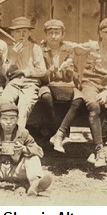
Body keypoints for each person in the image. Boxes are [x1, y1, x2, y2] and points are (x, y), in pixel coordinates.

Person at [72, 17, 107, 167]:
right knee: (94, 107)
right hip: (90, 83)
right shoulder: (92, 45)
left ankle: (97, 149)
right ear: (100, 33)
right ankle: (100, 150)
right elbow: (75, 48)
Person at [39, 19, 84, 153]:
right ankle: (58, 132)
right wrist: (50, 72)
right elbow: (40, 74)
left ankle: (59, 133)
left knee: (78, 99)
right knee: (46, 96)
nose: (53, 36)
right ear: (45, 35)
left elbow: (73, 74)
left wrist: (68, 72)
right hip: (46, 83)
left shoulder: (68, 50)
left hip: (65, 85)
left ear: (62, 35)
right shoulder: (41, 50)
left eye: (57, 33)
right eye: (50, 33)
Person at [1, 17, 47, 128]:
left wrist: (23, 72)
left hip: (31, 83)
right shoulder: (9, 48)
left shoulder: (35, 48)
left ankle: (18, 136)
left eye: (24, 31)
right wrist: (13, 57)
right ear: (12, 33)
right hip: (14, 83)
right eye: (18, 31)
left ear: (29, 33)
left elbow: (42, 70)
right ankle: (7, 133)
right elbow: (5, 72)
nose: (21, 35)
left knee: (24, 105)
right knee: (4, 101)